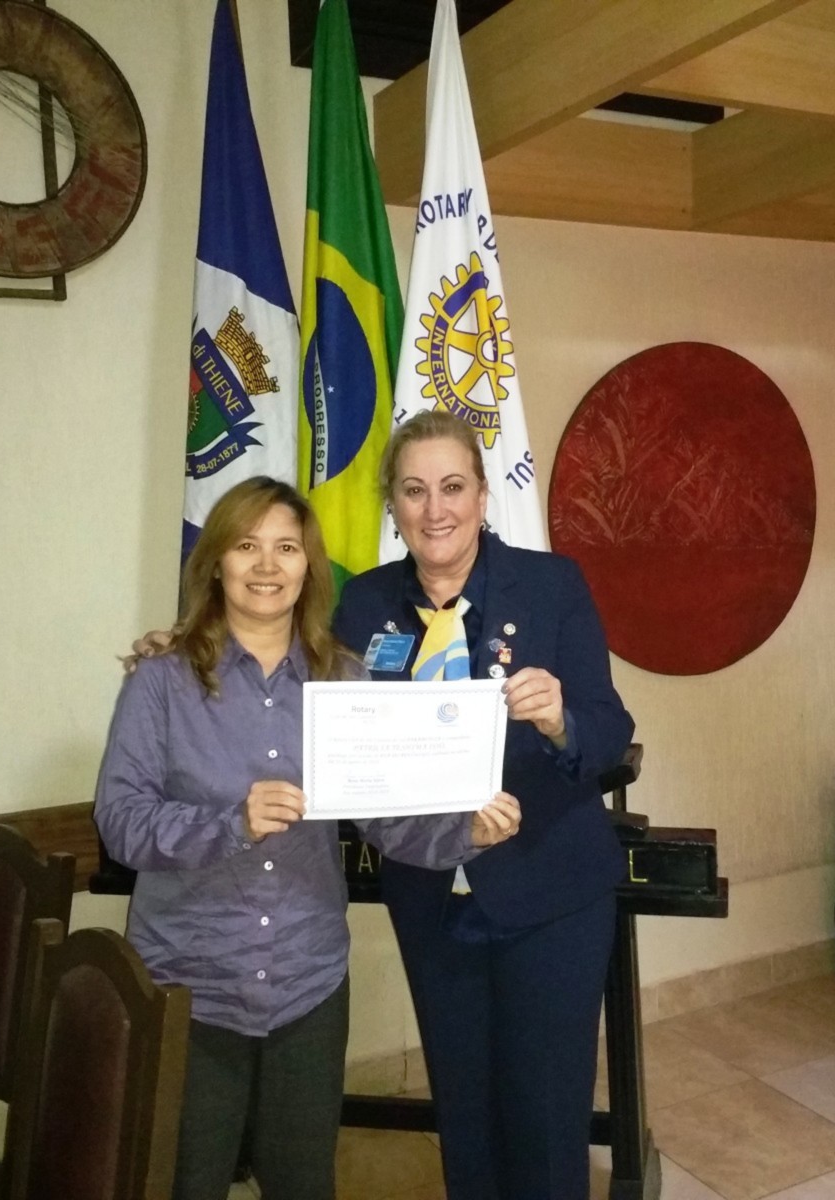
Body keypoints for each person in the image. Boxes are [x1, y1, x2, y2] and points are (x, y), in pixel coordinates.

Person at [95, 475, 520, 1200]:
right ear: (216, 563)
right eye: (246, 546)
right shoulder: (160, 683)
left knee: (303, 1185)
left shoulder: (344, 681)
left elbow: (390, 819)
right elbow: (121, 822)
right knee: (184, 1183)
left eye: (286, 548)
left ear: (308, 567)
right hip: (189, 988)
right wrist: (229, 826)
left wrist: (467, 830)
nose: (267, 565)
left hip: (307, 985)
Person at [334, 409, 633, 1200]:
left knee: (547, 1119)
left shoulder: (551, 585)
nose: (435, 509)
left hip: (552, 893)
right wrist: (179, 652)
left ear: (482, 495)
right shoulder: (361, 605)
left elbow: (610, 729)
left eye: (453, 487)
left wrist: (562, 719)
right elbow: (328, 730)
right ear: (392, 504)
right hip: (433, 899)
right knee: (464, 1115)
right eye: (414, 490)